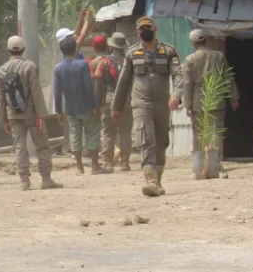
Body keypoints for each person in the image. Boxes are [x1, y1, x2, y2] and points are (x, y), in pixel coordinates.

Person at [111, 16, 180, 197]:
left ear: (155, 29)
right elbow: (123, 81)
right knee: (146, 139)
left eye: (147, 27)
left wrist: (176, 95)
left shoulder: (168, 51)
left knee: (161, 141)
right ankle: (150, 180)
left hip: (162, 104)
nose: (144, 31)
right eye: (141, 29)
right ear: (137, 32)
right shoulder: (131, 54)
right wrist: (116, 106)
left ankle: (157, 180)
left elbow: (178, 76)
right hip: (141, 104)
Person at [0, 35, 62, 190]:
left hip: (12, 115)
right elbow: (36, 92)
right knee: (42, 146)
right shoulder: (29, 67)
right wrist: (41, 115)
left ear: (8, 50)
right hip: (31, 113)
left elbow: (0, 98)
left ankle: (24, 181)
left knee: (19, 147)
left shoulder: (1, 70)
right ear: (23, 50)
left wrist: (4, 119)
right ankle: (46, 179)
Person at [178, 29, 239, 158]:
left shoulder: (190, 59)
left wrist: (187, 105)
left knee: (199, 134)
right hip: (216, 101)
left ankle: (199, 163)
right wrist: (234, 97)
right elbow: (228, 77)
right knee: (216, 131)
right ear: (206, 40)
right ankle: (214, 162)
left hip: (198, 103)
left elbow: (188, 84)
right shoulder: (219, 56)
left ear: (193, 43)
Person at [54, 30, 108, 175]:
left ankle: (79, 168)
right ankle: (95, 166)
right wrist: (94, 106)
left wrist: (59, 111)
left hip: (71, 109)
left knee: (75, 137)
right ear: (75, 49)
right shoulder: (83, 65)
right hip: (86, 107)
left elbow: (57, 92)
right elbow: (88, 88)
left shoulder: (58, 68)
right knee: (92, 134)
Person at [94, 32, 131, 171]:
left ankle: (108, 163)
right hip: (126, 100)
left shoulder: (104, 62)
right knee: (125, 131)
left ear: (111, 46)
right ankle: (125, 162)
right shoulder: (130, 60)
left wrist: (98, 104)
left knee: (108, 132)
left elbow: (99, 85)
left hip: (109, 100)